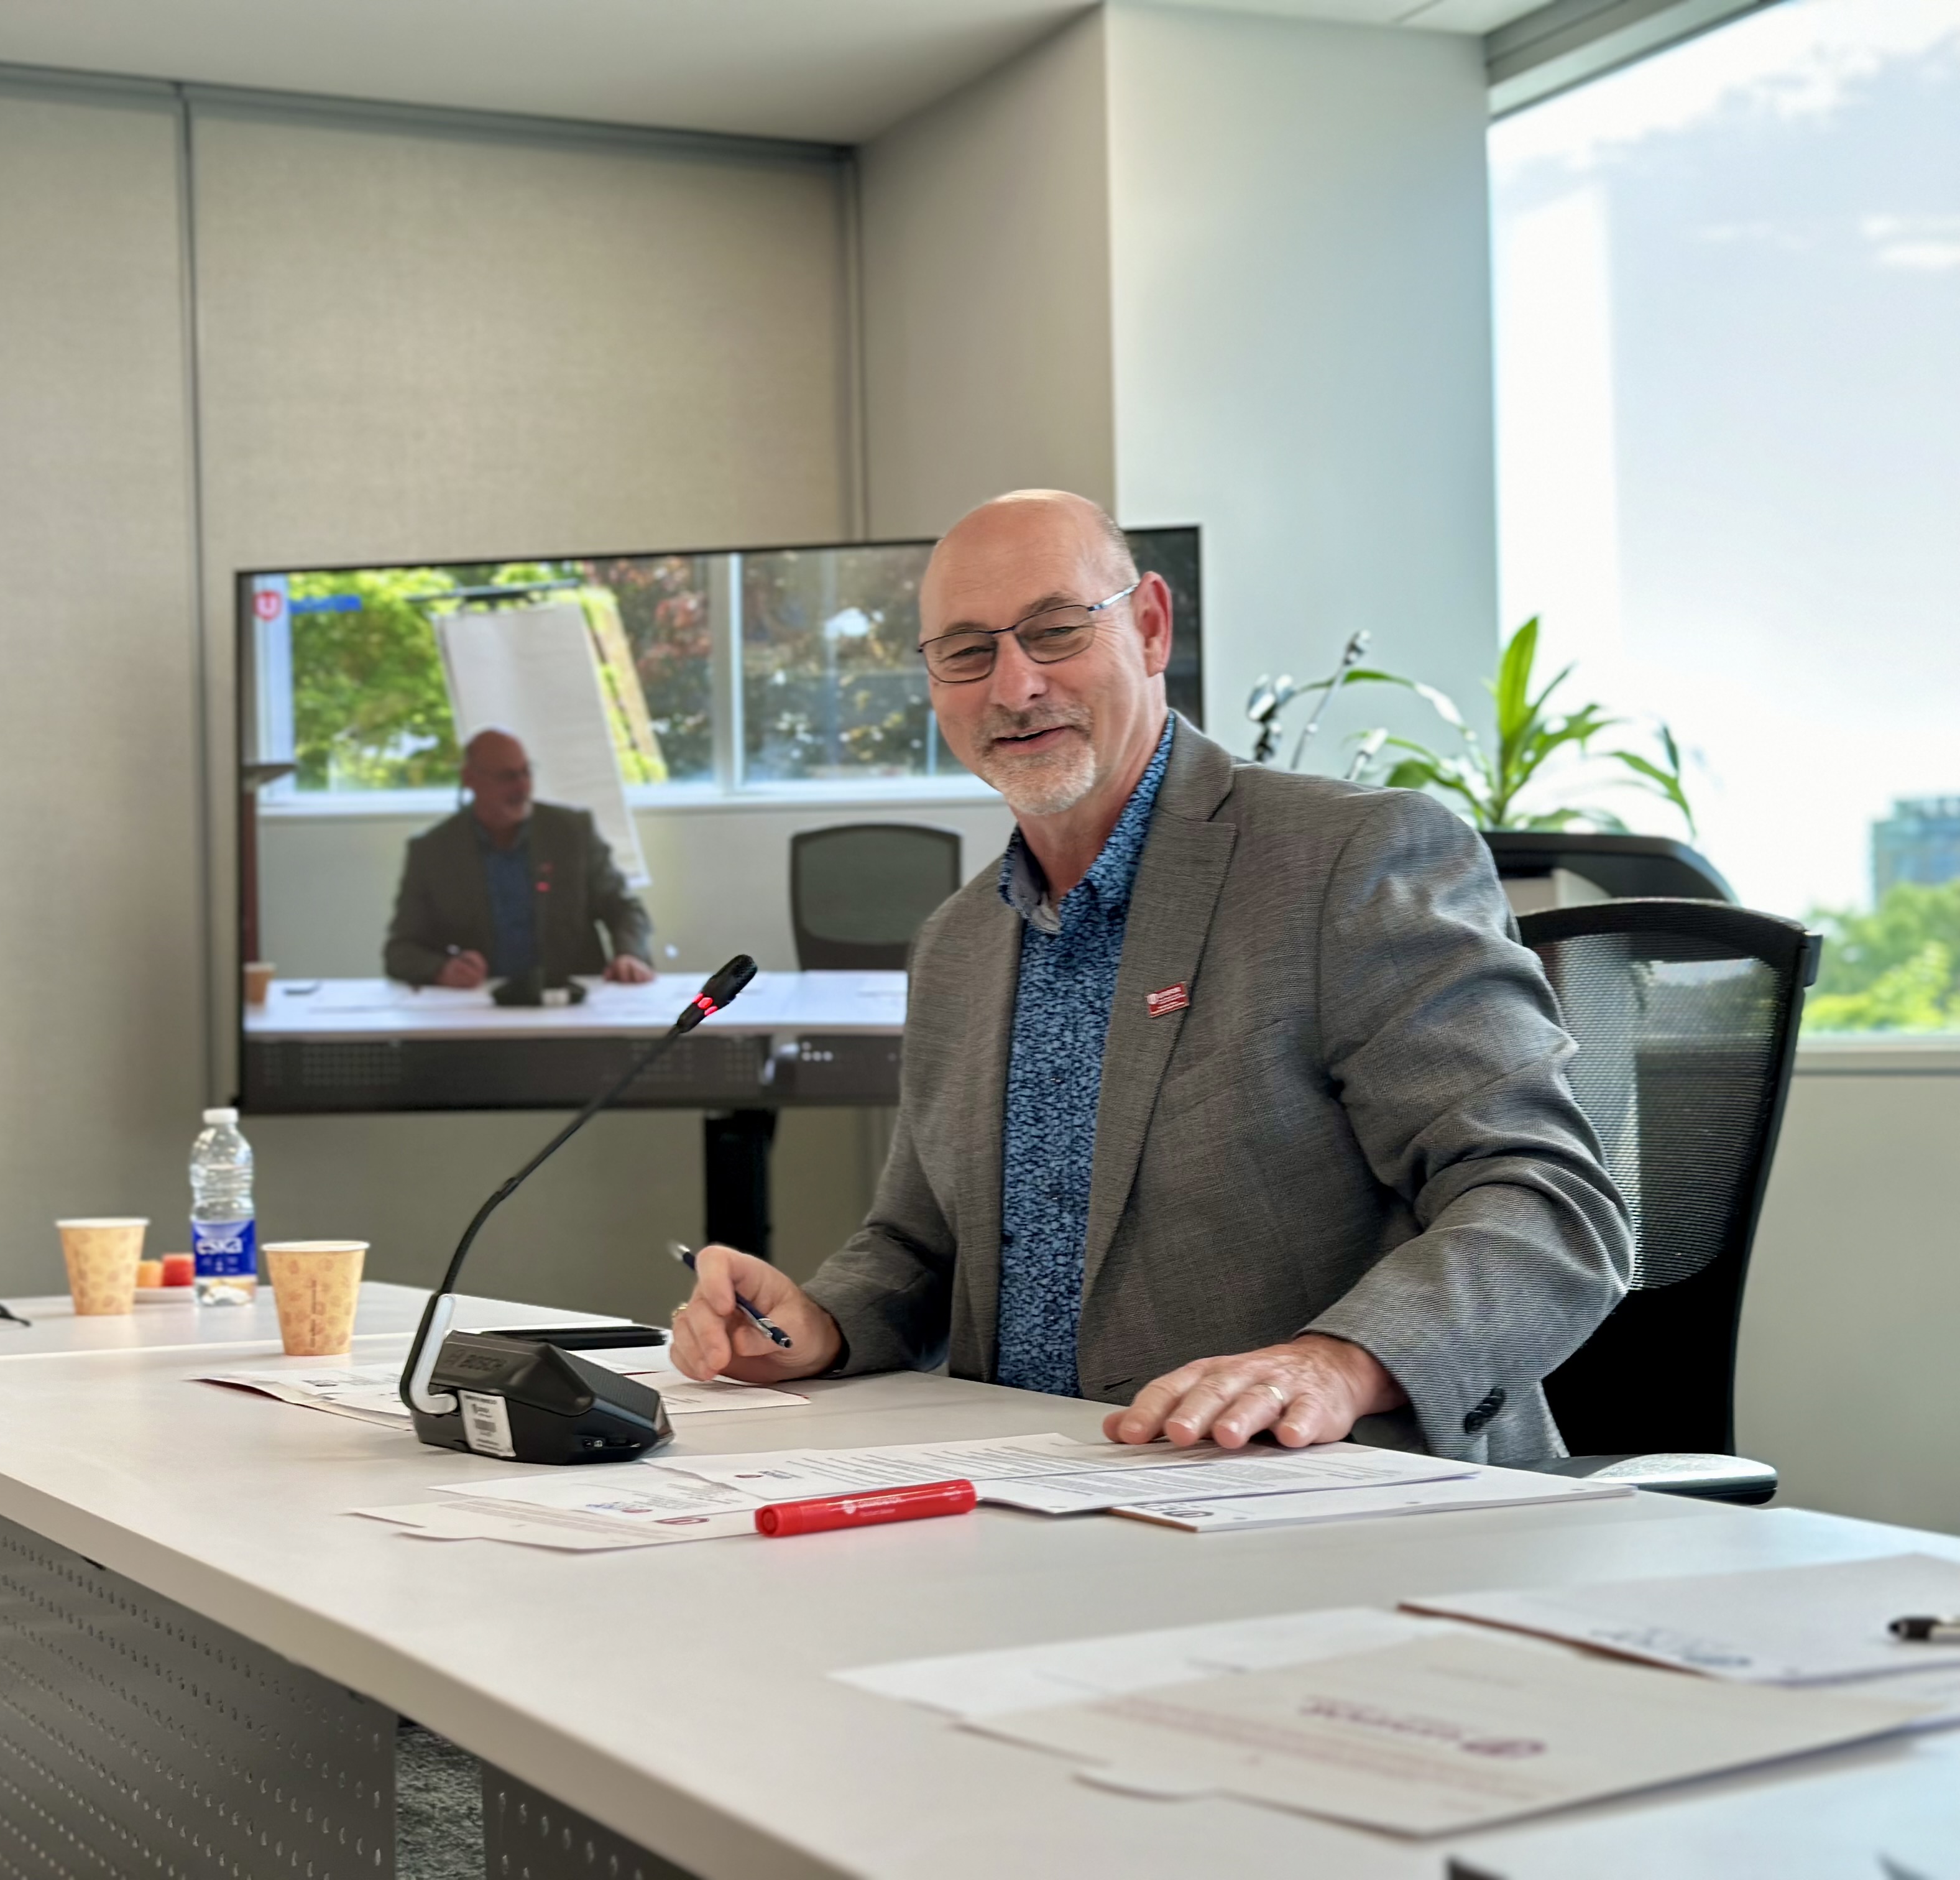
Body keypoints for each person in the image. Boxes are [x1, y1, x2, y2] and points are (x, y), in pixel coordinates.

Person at [669, 491, 1629, 1465]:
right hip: (1034, 1497)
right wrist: (819, 1324)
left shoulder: (1351, 859)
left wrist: (1336, 1364)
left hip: (1328, 1495)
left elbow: (1547, 1199)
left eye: (1053, 631)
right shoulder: (958, 941)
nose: (1014, 685)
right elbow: (921, 1248)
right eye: (967, 652)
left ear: (1152, 627)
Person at [382, 727, 656, 989]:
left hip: (572, 1000)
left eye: (526, 772)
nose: (522, 787)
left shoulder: (572, 832)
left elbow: (625, 909)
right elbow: (401, 950)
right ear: (469, 779)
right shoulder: (433, 851)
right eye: (507, 777)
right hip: (480, 1008)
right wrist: (442, 970)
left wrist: (629, 955)